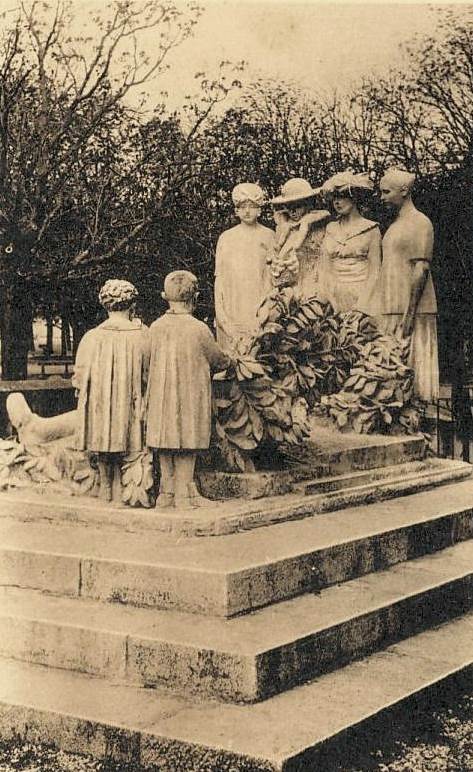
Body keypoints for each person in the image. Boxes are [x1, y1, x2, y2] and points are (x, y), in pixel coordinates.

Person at [146, 270, 230, 509]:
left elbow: (145, 360)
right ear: (195, 297)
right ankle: (184, 494)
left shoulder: (156, 327)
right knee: (187, 439)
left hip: (161, 397)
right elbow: (219, 360)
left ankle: (167, 492)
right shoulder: (199, 329)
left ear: (165, 296)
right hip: (190, 396)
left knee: (165, 439)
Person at [73, 279, 150, 501]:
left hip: (102, 403)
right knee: (132, 439)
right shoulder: (142, 335)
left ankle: (106, 487)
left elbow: (79, 377)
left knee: (104, 438)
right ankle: (126, 488)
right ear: (131, 305)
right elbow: (148, 372)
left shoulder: (91, 337)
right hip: (130, 401)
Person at [378, 167, 439, 402]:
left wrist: (409, 314)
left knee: (415, 372)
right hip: (393, 305)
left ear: (404, 191)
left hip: (414, 310)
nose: (382, 197)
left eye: (386, 192)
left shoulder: (420, 223)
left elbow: (421, 268)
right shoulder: (395, 226)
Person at [214, 183, 274, 354]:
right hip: (233, 304)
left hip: (258, 303)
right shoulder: (226, 238)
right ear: (236, 210)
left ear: (260, 209)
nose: (247, 211)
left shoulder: (269, 236)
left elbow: (272, 277)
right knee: (232, 357)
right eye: (243, 206)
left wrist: (266, 309)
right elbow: (220, 278)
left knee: (258, 355)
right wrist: (221, 314)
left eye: (252, 206)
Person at [318, 170, 381, 313]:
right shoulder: (330, 228)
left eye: (342, 196)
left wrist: (363, 305)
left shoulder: (371, 229)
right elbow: (325, 268)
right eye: (334, 198)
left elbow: (375, 272)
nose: (337, 202)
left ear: (354, 197)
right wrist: (328, 296)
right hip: (334, 297)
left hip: (363, 295)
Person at [269, 178, 331, 299]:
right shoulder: (285, 230)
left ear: (307, 203)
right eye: (288, 206)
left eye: (297, 206)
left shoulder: (319, 228)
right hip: (291, 290)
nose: (292, 211)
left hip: (314, 289)